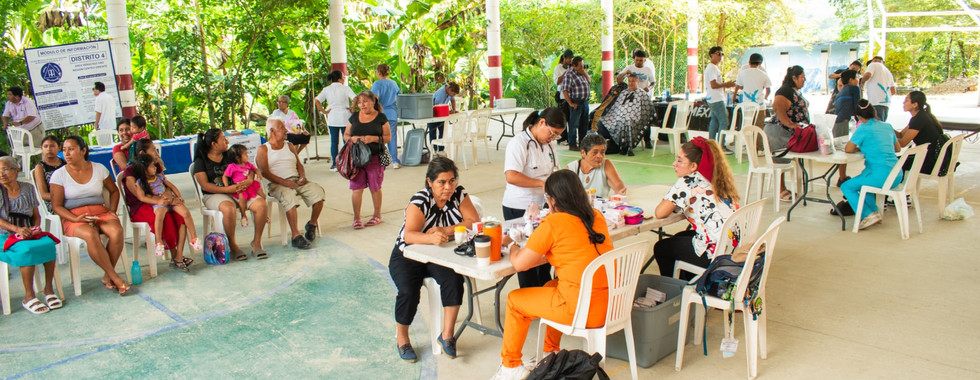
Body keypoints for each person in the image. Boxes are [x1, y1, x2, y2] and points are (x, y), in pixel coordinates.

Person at [491, 170, 614, 380]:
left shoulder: (553, 224)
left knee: (514, 301)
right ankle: (550, 352)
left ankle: (510, 366)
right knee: (550, 285)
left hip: (579, 309)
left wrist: (511, 244)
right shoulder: (597, 216)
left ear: (552, 200)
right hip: (609, 304)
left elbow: (520, 264)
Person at [389, 157, 479, 362]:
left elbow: (474, 222)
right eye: (441, 182)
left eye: (451, 180)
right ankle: (402, 337)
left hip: (438, 255)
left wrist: (444, 231)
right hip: (407, 255)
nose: (448, 187)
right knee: (408, 291)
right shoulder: (421, 200)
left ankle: (447, 335)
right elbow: (409, 235)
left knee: (454, 281)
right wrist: (430, 237)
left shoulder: (459, 194)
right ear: (430, 182)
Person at [49, 136, 128, 294]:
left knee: (117, 231)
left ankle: (107, 276)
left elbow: (114, 191)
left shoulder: (99, 168)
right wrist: (74, 218)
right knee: (91, 234)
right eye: (64, 150)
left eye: (71, 149)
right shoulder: (59, 175)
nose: (66, 153)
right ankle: (114, 276)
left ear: (83, 150)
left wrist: (112, 209)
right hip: (73, 217)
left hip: (100, 213)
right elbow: (56, 206)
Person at [652, 137, 740, 279]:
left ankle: (674, 290)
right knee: (680, 237)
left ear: (693, 166)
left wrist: (671, 195)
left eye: (680, 161)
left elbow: (660, 212)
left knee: (661, 248)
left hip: (716, 255)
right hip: (732, 246)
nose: (674, 164)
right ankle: (686, 281)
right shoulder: (716, 179)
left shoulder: (688, 181)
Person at [502, 108, 565, 288]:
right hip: (519, 206)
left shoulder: (549, 144)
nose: (553, 138)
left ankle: (545, 295)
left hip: (543, 206)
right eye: (552, 133)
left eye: (557, 136)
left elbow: (555, 170)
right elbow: (511, 176)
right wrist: (540, 183)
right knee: (526, 259)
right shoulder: (519, 143)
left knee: (544, 256)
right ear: (542, 122)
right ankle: (528, 296)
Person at [192, 129, 269, 260]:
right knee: (228, 208)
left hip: (239, 191)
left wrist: (249, 180)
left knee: (261, 204)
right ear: (214, 144)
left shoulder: (230, 154)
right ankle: (233, 246)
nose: (227, 141)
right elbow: (205, 185)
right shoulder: (201, 161)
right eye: (223, 138)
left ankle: (256, 243)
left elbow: (248, 166)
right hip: (214, 194)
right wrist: (228, 190)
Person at [0, 156, 62, 314]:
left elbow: (36, 213)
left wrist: (35, 227)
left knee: (48, 243)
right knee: (26, 249)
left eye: (5, 169)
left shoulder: (27, 188)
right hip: (5, 235)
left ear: (16, 170)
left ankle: (48, 289)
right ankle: (28, 296)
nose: (2, 173)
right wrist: (16, 229)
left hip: (27, 232)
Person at [120, 139, 191, 269]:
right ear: (142, 153)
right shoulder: (130, 171)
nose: (156, 152)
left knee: (181, 217)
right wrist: (160, 201)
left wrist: (169, 197)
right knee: (166, 219)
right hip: (141, 206)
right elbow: (138, 195)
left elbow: (164, 185)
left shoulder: (155, 166)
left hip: (161, 201)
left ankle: (179, 256)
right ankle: (175, 256)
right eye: (153, 149)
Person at [257, 118, 325, 249]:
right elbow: (264, 172)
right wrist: (284, 182)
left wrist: (302, 176)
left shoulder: (289, 146)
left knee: (318, 192)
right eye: (281, 128)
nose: (285, 130)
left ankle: (312, 224)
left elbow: (299, 164)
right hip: (277, 184)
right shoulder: (263, 149)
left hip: (295, 180)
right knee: (289, 196)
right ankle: (295, 236)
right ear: (272, 131)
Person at [841, 99, 901, 229]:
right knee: (864, 184)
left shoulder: (863, 128)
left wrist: (861, 147)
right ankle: (874, 213)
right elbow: (898, 148)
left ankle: (866, 214)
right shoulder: (887, 126)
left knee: (847, 186)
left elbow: (848, 149)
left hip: (881, 176)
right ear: (874, 112)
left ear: (858, 117)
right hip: (896, 174)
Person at [131, 154, 203, 257]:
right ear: (144, 170)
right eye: (152, 166)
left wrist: (179, 197)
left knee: (185, 212)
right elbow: (141, 197)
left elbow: (172, 187)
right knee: (159, 215)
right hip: (159, 204)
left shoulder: (159, 177)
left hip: (170, 200)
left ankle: (194, 237)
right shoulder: (140, 183)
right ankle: (159, 241)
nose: (155, 167)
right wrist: (158, 202)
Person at [344, 90, 391, 229]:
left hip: (375, 157)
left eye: (365, 101)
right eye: (359, 102)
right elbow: (346, 135)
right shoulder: (354, 117)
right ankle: (356, 218)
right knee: (356, 189)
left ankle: (377, 215)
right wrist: (352, 139)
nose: (362, 105)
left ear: (372, 101)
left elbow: (388, 137)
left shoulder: (381, 117)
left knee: (375, 187)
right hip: (357, 159)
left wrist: (373, 139)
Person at [765, 65, 809, 200]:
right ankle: (780, 190)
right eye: (802, 77)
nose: (804, 80)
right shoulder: (785, 91)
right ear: (794, 78)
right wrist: (789, 124)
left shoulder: (793, 91)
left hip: (789, 132)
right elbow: (778, 106)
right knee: (780, 161)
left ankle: (784, 188)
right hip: (779, 132)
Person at [896, 91, 953, 175]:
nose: (903, 103)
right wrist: (887, 127)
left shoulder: (919, 119)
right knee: (895, 160)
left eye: (906, 100)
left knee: (892, 163)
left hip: (929, 161)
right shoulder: (921, 115)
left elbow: (903, 143)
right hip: (931, 157)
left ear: (915, 104)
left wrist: (887, 137)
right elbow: (901, 135)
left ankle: (896, 186)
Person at [597, 73, 655, 155]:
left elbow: (647, 109)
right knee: (601, 121)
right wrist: (615, 115)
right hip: (618, 116)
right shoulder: (623, 93)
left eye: (633, 81)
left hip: (633, 119)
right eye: (629, 81)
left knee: (625, 121)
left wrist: (630, 116)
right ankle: (615, 142)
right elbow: (616, 107)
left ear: (638, 82)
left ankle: (623, 146)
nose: (631, 83)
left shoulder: (642, 94)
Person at [314, 70, 356, 171]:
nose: (344, 78)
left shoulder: (326, 89)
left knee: (334, 141)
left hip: (332, 116)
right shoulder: (345, 88)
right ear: (339, 78)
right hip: (345, 116)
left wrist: (324, 111)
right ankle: (347, 162)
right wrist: (352, 107)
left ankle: (334, 164)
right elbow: (355, 98)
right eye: (343, 77)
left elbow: (317, 100)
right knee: (346, 140)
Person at [566, 133, 626, 198]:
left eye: (602, 152)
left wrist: (618, 195)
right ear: (583, 153)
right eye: (595, 152)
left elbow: (621, 190)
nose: (599, 156)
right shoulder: (571, 169)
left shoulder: (606, 165)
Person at [224, 144, 266, 228]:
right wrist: (227, 187)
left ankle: (264, 215)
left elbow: (255, 169)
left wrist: (258, 174)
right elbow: (225, 176)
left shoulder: (248, 164)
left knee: (263, 195)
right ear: (237, 158)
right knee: (241, 199)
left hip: (250, 185)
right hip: (240, 187)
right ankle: (243, 215)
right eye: (245, 154)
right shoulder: (232, 166)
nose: (247, 155)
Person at [704, 46, 737, 153]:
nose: (720, 56)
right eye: (718, 54)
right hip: (716, 99)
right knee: (724, 121)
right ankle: (720, 146)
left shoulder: (714, 68)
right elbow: (713, 85)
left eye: (722, 54)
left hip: (714, 98)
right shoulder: (711, 68)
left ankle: (711, 145)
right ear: (712, 55)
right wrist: (726, 84)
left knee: (715, 121)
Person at [832, 69, 861, 186]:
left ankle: (842, 177)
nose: (858, 81)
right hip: (844, 123)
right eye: (856, 78)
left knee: (841, 151)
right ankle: (842, 178)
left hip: (837, 123)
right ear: (851, 80)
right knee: (843, 151)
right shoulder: (854, 88)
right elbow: (858, 106)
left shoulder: (842, 91)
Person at [371, 64, 402, 168]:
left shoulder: (377, 84)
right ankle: (395, 161)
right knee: (392, 137)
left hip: (380, 114)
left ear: (379, 73)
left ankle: (380, 161)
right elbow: (398, 97)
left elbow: (374, 98)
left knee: (379, 138)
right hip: (392, 113)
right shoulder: (394, 84)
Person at [559, 56, 591, 151]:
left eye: (582, 65)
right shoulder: (569, 74)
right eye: (580, 66)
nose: (582, 68)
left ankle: (582, 143)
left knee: (584, 124)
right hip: (576, 102)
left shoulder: (582, 73)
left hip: (585, 102)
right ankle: (572, 144)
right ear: (574, 66)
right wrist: (570, 103)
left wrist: (584, 72)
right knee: (574, 124)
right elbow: (565, 90)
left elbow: (589, 81)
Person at [33, 135, 65, 212]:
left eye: (52, 146)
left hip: (70, 198)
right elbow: (44, 194)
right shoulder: (40, 167)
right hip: (53, 201)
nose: (49, 149)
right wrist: (64, 197)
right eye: (45, 146)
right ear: (42, 149)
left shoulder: (65, 164)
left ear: (59, 148)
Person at [427, 82, 461, 151]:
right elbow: (437, 108)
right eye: (453, 93)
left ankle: (441, 149)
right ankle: (434, 150)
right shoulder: (441, 94)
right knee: (433, 133)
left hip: (441, 116)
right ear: (449, 89)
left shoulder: (449, 91)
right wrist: (448, 112)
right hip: (433, 114)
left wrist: (454, 110)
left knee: (442, 132)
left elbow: (452, 99)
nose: (453, 95)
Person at [862, 56, 896, 122]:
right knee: (881, 124)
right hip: (886, 104)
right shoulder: (888, 72)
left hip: (876, 102)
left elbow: (868, 75)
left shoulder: (873, 64)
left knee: (875, 126)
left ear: (874, 60)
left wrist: (861, 82)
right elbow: (893, 91)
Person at [553, 49, 575, 144]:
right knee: (563, 118)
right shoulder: (558, 68)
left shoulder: (572, 67)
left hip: (572, 95)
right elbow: (557, 82)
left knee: (572, 119)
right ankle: (563, 137)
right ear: (564, 58)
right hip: (562, 96)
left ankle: (571, 138)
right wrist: (566, 73)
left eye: (571, 59)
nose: (570, 60)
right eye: (569, 58)